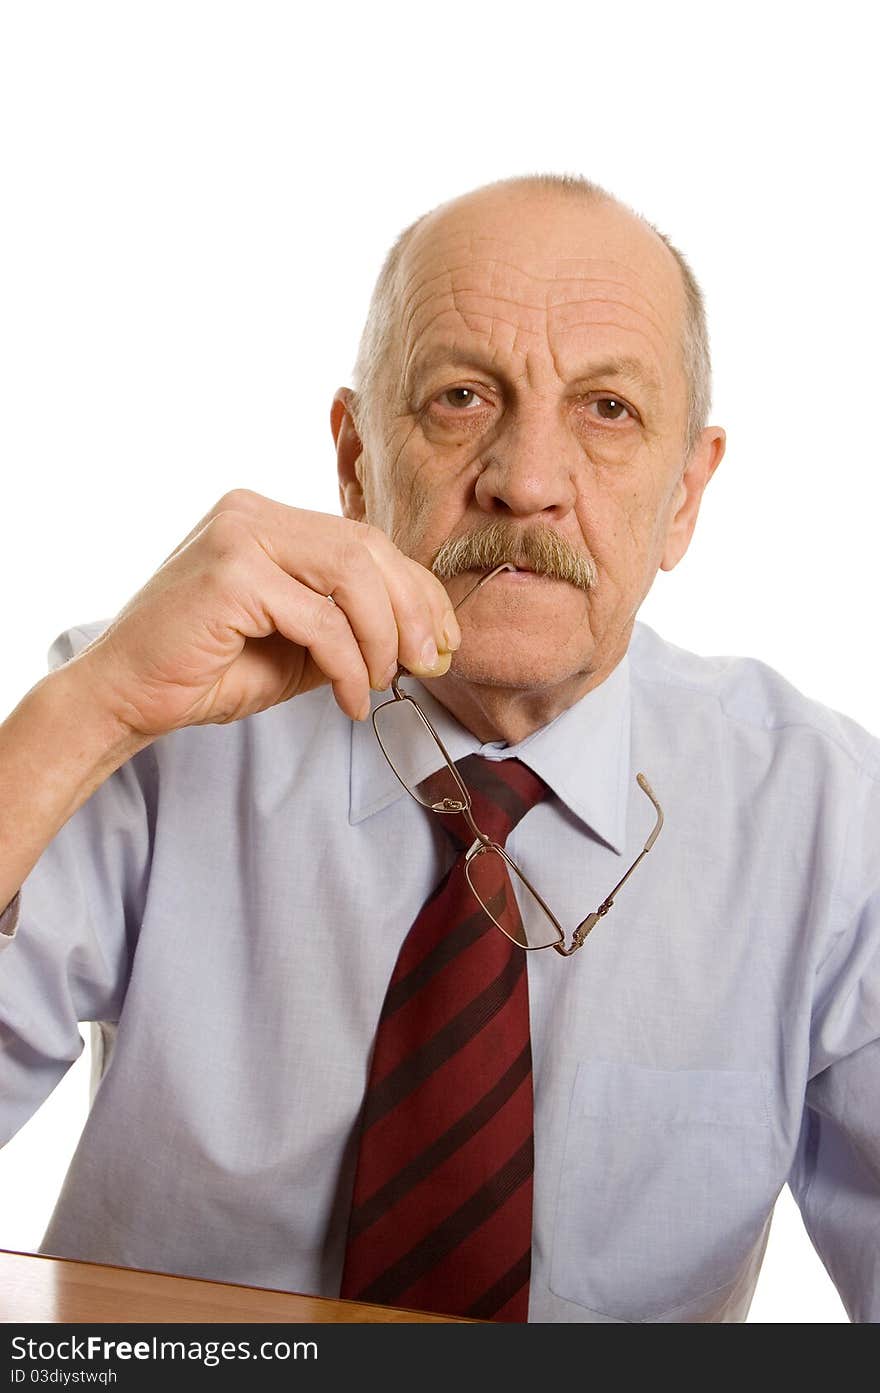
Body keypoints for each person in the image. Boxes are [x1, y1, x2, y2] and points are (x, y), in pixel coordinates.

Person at [1, 172, 877, 1324]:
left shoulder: (829, 820)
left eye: (607, 410)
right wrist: (88, 712)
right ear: (357, 458)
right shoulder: (147, 716)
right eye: (462, 396)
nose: (524, 481)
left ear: (686, 494)